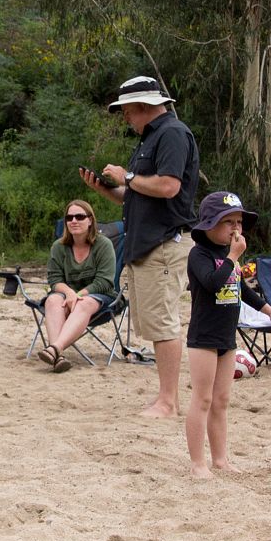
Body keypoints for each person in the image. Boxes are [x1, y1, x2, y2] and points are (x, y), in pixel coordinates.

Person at [81, 75, 199, 418]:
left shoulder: (173, 134)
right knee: (155, 322)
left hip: (165, 241)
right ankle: (165, 397)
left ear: (144, 105)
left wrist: (126, 177)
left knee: (163, 322)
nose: (124, 118)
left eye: (126, 111)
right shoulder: (151, 138)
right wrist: (104, 188)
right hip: (147, 243)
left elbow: (168, 187)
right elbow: (137, 196)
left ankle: (168, 401)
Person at [184, 192, 271, 478]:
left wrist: (270, 311)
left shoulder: (229, 258)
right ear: (209, 224)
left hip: (227, 338)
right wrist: (232, 257)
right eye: (228, 222)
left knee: (221, 401)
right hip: (203, 338)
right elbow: (214, 284)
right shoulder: (199, 255)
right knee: (202, 400)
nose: (235, 229)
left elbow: (243, 290)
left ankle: (220, 459)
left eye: (238, 222)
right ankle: (197, 464)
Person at [36, 199, 117, 373]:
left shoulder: (103, 245)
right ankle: (59, 356)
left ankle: (54, 348)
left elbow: (104, 281)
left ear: (90, 220)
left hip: (100, 296)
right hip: (67, 296)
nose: (74, 221)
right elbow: (55, 280)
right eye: (69, 217)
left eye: (79, 216)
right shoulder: (59, 247)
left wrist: (78, 295)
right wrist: (70, 293)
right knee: (52, 301)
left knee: (83, 302)